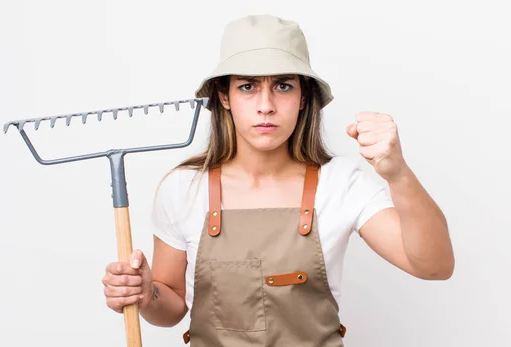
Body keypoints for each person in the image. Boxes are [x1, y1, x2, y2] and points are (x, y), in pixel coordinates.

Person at [101, 14, 454, 346]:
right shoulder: (183, 189)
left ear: (303, 98)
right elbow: (172, 306)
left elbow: (434, 266)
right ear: (224, 96)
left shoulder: (341, 184)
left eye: (283, 86)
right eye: (248, 87)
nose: (266, 105)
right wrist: (148, 295)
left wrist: (398, 173)